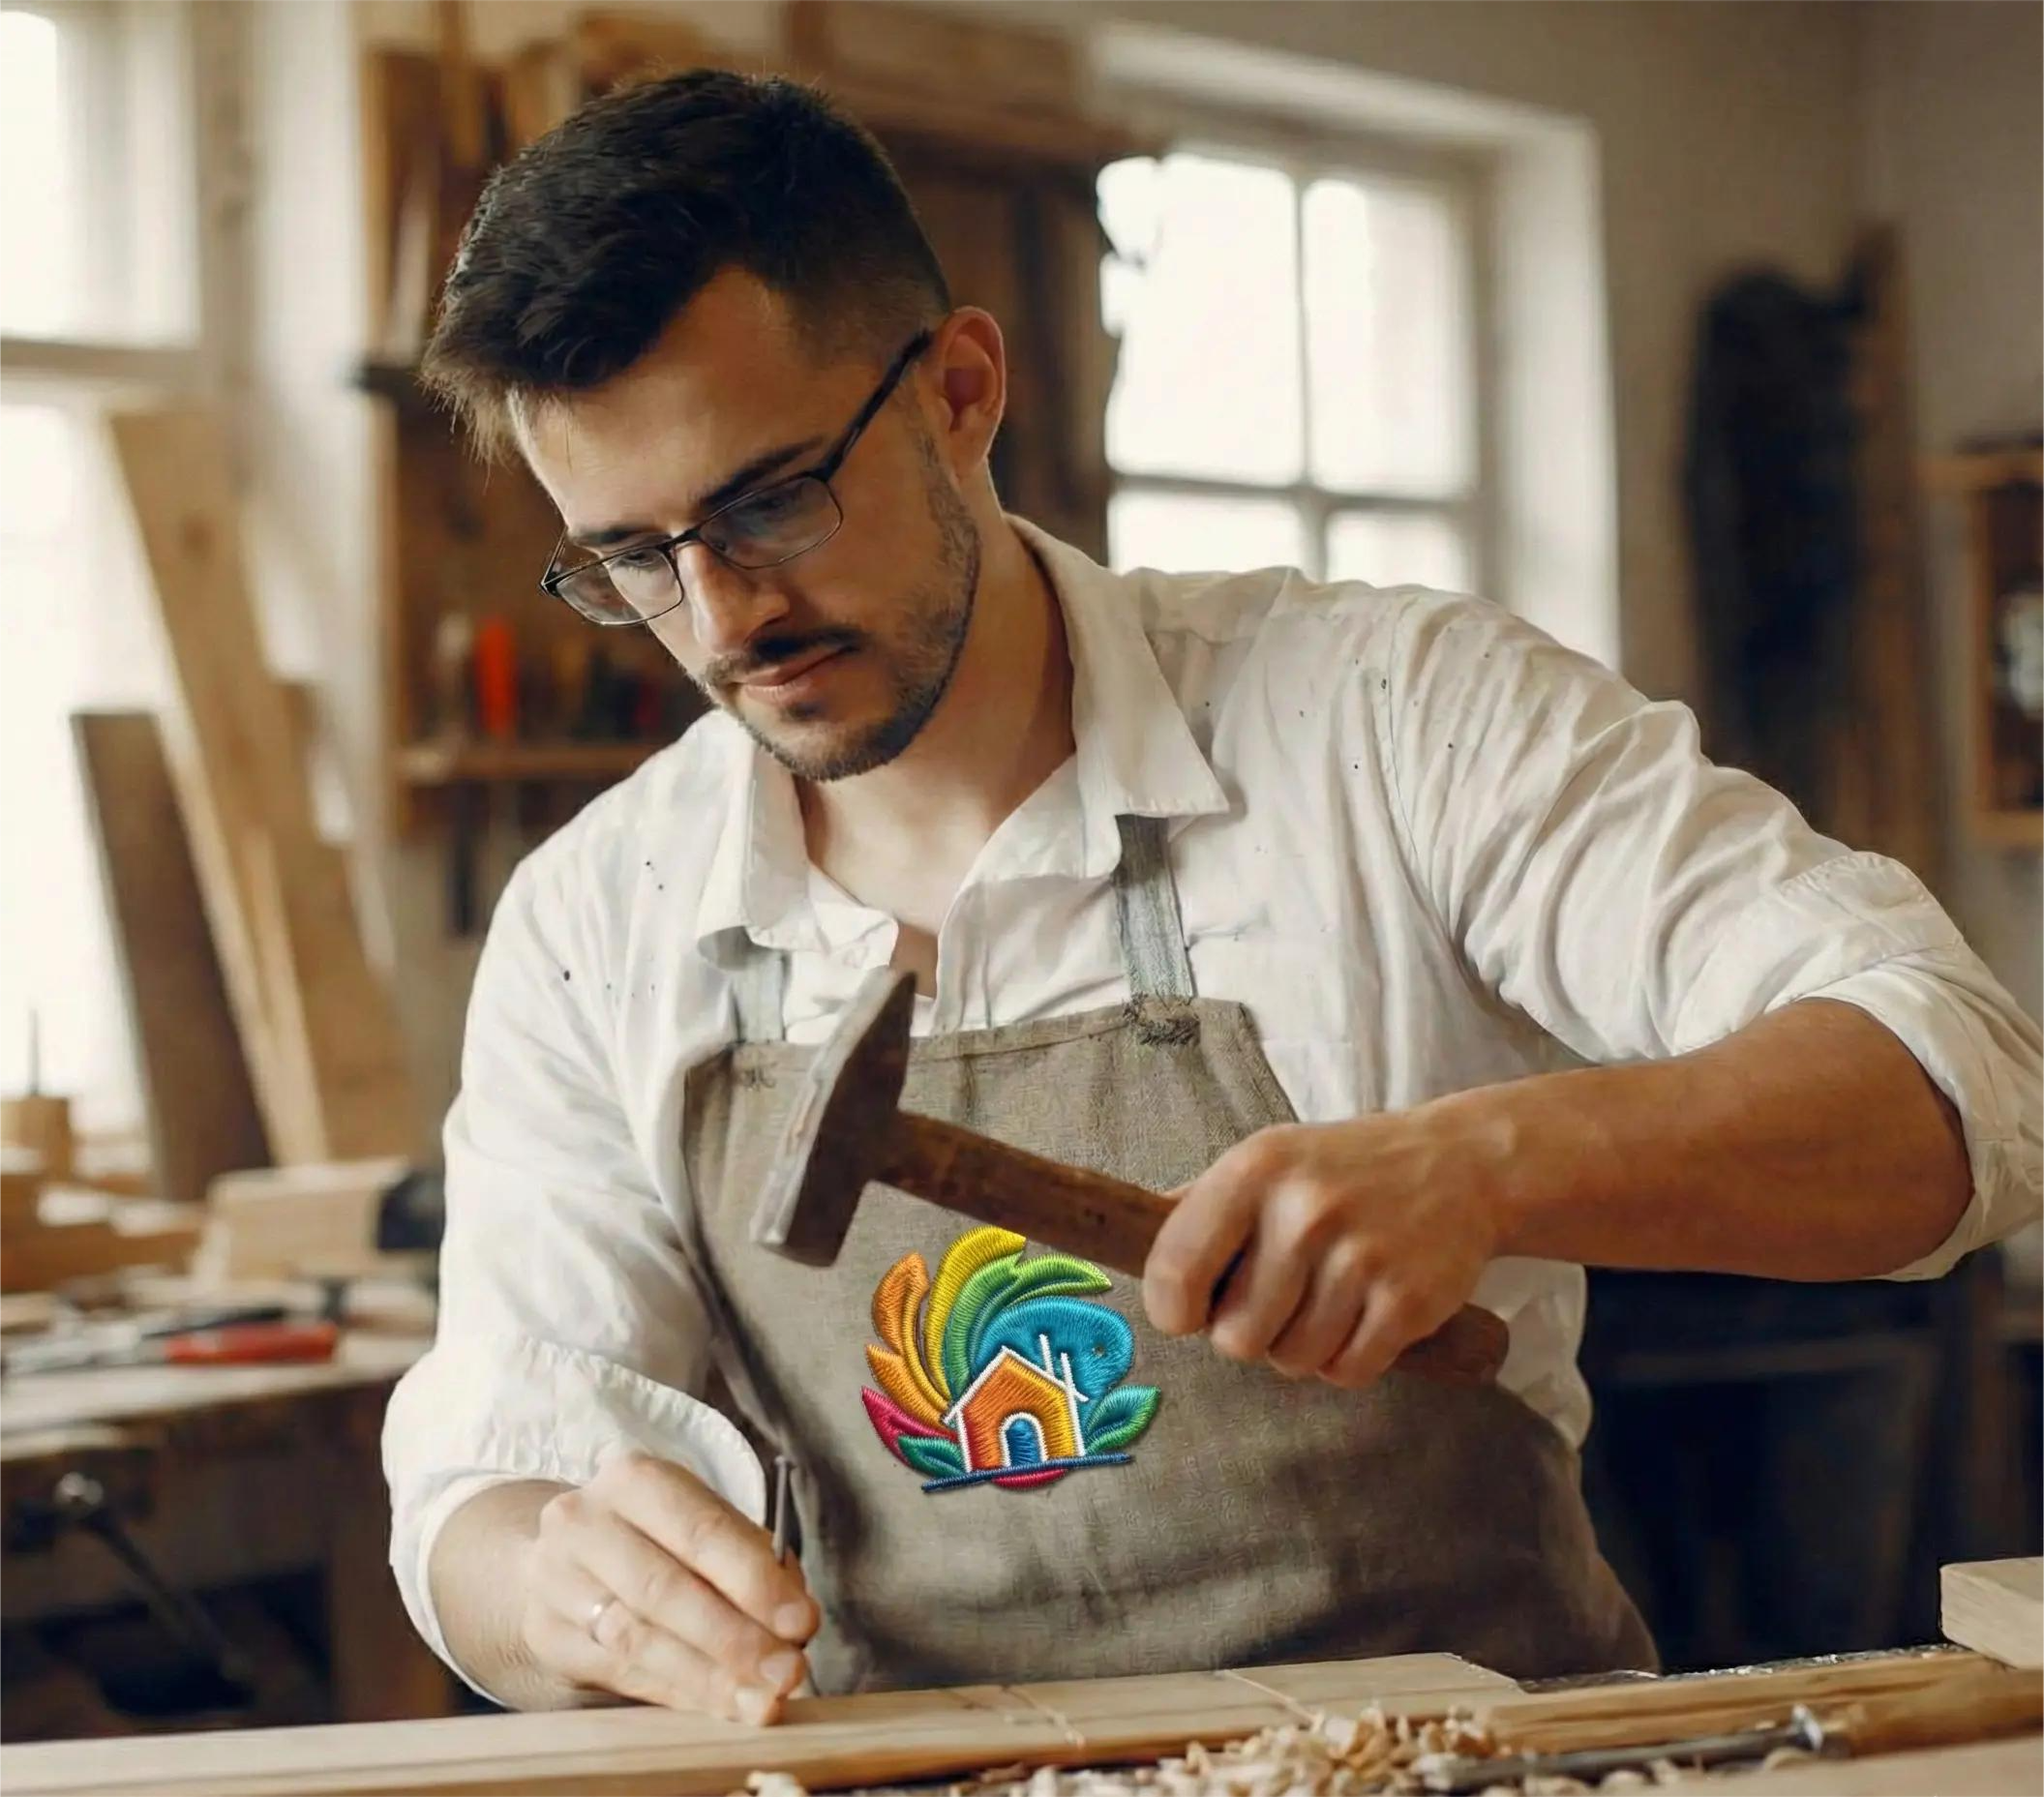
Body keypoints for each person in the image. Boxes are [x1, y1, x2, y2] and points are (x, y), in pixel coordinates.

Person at [383, 69, 2044, 1724]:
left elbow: (1963, 1085)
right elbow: (484, 1482)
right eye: (633, 558)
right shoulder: (599, 918)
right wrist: (555, 1584)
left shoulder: (1390, 716)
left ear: (961, 389)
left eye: (768, 503)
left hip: (1461, 1768)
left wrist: (1493, 1162)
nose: (721, 615)